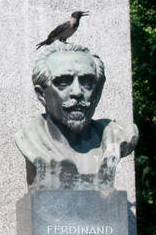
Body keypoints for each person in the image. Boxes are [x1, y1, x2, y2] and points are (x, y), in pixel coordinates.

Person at [15, 43, 137, 189]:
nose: (77, 92)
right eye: (63, 82)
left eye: (87, 82)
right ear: (42, 95)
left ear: (97, 94)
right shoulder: (29, 140)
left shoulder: (118, 136)